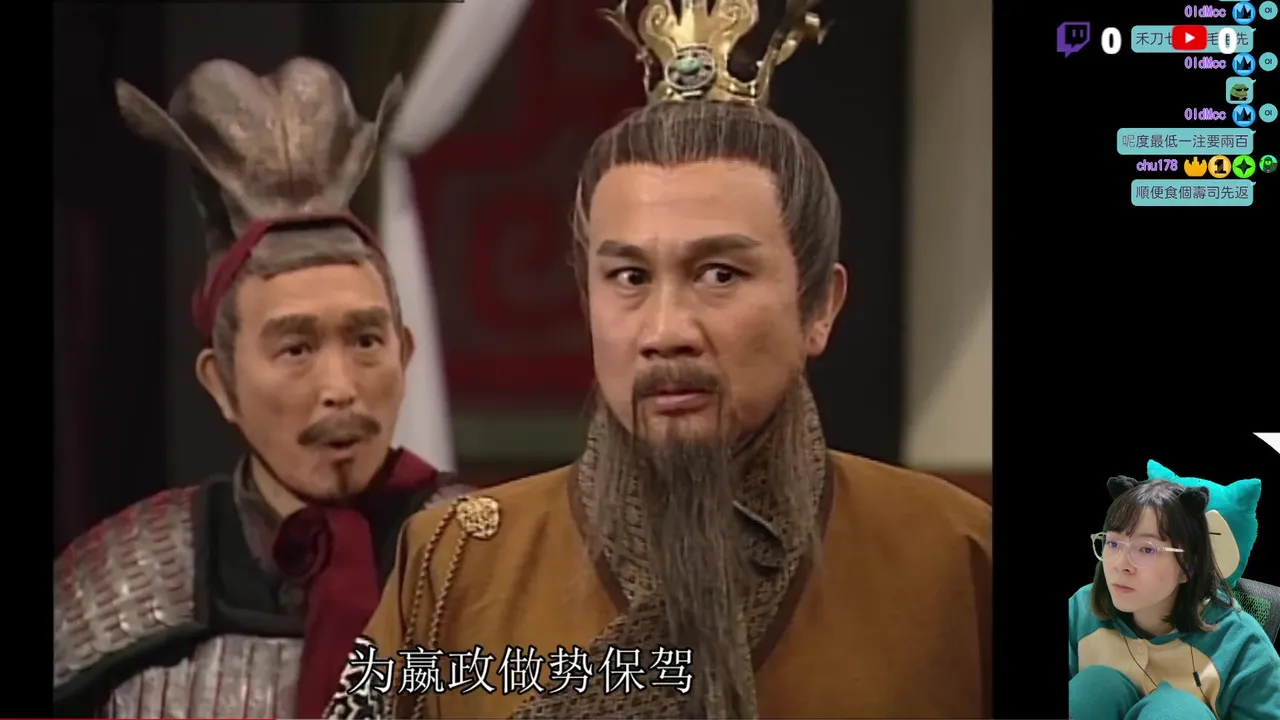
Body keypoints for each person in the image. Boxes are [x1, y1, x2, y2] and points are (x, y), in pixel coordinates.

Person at [325, 1, 991, 718]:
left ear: (819, 307)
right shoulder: (455, 563)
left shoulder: (955, 556)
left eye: (720, 274)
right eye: (630, 277)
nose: (666, 331)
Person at [52, 58, 468, 718]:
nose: (340, 388)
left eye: (366, 341)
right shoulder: (117, 589)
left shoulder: (503, 563)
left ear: (405, 352)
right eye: (296, 349)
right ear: (221, 383)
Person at [1069, 476, 1280, 720]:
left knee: (1177, 712)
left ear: (1188, 565)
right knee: (1096, 688)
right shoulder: (1081, 609)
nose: (1120, 565)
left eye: (1146, 549)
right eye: (1113, 543)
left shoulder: (1244, 648)